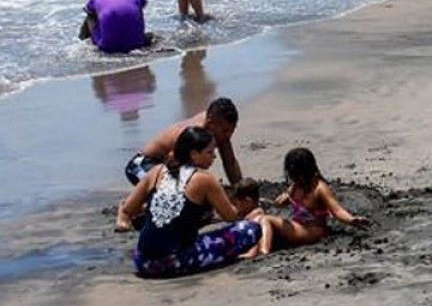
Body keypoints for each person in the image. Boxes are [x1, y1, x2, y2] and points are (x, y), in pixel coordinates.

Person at [115, 127, 262, 278]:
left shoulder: (157, 171)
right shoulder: (204, 179)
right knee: (250, 229)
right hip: (170, 263)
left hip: (141, 261)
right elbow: (231, 217)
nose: (214, 157)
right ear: (194, 155)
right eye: (209, 152)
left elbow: (128, 209)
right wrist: (249, 210)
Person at [244, 147, 368, 257]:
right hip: (298, 226)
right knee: (257, 216)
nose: (294, 178)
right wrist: (283, 198)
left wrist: (351, 220)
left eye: (296, 175)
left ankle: (264, 251)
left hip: (314, 230)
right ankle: (251, 250)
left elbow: (337, 210)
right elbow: (279, 204)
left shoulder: (319, 188)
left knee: (266, 220)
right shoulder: (295, 186)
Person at [124, 97, 243, 185]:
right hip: (142, 164)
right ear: (210, 124)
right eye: (225, 131)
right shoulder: (193, 135)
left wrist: (241, 190)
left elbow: (230, 162)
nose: (229, 135)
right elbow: (171, 161)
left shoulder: (219, 130)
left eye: (232, 130)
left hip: (165, 166)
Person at [79, 0, 150, 54]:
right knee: (136, 9)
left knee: (90, 15)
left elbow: (89, 11)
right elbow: (142, 6)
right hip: (137, 43)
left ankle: (83, 39)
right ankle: (136, 35)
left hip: (107, 47)